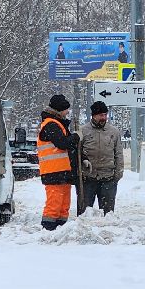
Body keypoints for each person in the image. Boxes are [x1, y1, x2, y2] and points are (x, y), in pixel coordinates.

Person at [37, 94, 81, 231]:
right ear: (59, 110)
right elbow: (62, 143)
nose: (67, 112)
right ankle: (48, 229)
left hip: (62, 171)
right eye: (66, 109)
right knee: (54, 204)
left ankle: (61, 229)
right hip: (53, 172)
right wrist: (76, 136)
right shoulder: (51, 124)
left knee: (63, 205)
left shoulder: (57, 124)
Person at [79, 100, 124, 215]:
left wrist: (118, 173)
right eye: (100, 115)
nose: (103, 117)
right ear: (93, 116)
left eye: (105, 115)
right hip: (88, 179)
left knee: (107, 214)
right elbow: (77, 153)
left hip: (108, 178)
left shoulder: (114, 132)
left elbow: (118, 154)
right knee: (84, 214)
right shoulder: (83, 131)